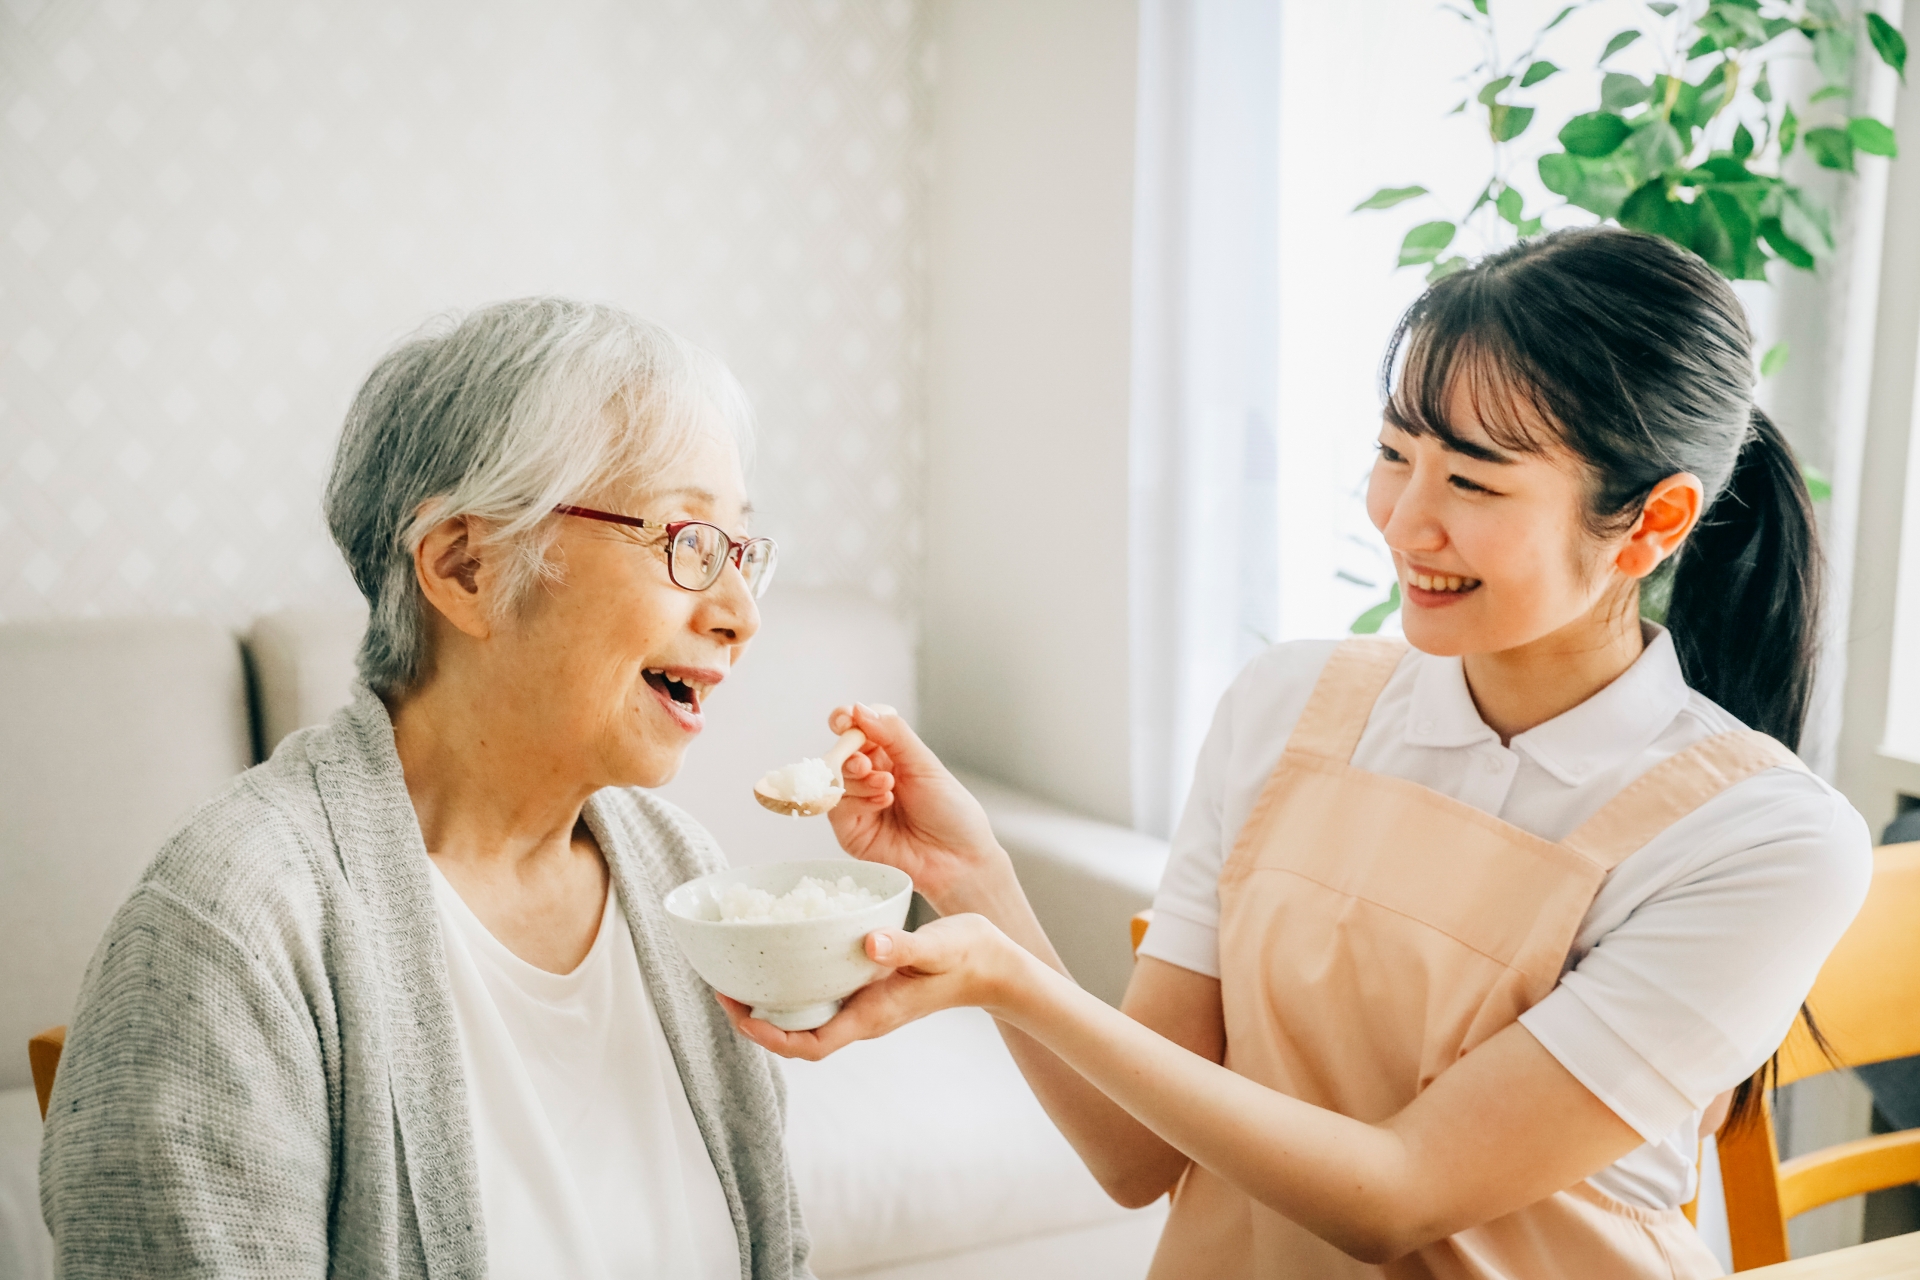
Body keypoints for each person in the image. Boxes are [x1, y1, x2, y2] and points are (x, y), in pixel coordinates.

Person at [727, 228, 1873, 1277]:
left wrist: (1008, 978)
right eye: (1394, 451)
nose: (1402, 517)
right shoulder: (1288, 704)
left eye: (1472, 480)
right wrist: (971, 880)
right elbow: (1135, 1157)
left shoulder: (1764, 838)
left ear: (1654, 522)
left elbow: (1396, 1194)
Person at [41, 299, 810, 1279]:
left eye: (741, 549)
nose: (740, 613)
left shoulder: (681, 870)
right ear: (466, 567)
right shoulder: (233, 926)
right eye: (688, 540)